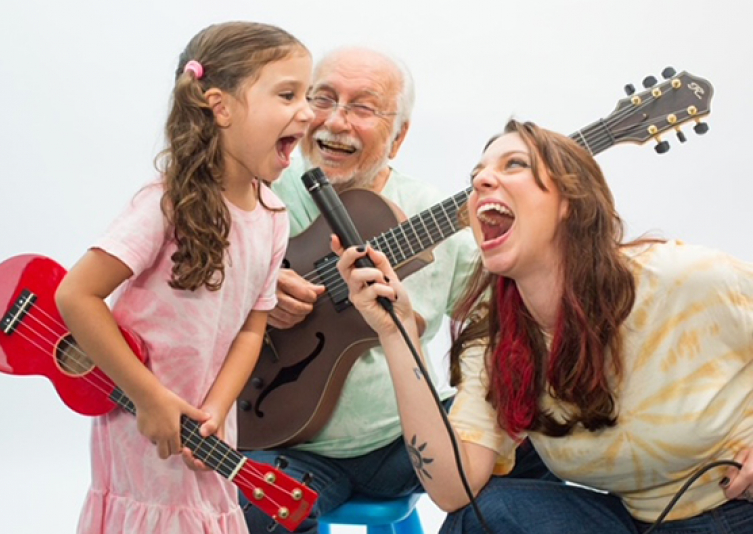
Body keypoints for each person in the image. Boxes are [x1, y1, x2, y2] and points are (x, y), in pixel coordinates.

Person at [335, 119, 753, 533]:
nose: (481, 182)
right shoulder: (499, 340)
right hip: (633, 521)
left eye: (514, 164)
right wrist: (398, 333)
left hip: (739, 508)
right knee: (484, 516)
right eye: (476, 175)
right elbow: (452, 488)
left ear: (570, 200)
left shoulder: (682, 278)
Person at [55, 21, 314, 534]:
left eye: (307, 95)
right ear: (220, 107)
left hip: (208, 427)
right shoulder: (165, 204)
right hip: (139, 422)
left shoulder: (273, 217)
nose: (307, 112)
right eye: (288, 94)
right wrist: (149, 397)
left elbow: (250, 329)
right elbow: (76, 294)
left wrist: (216, 410)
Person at [241, 47, 481, 533]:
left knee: (541, 436)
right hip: (279, 440)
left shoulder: (434, 213)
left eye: (363, 107)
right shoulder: (253, 190)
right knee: (242, 512)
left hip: (402, 448)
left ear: (399, 136)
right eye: (323, 99)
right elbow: (180, 283)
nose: (336, 121)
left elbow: (504, 321)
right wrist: (255, 291)